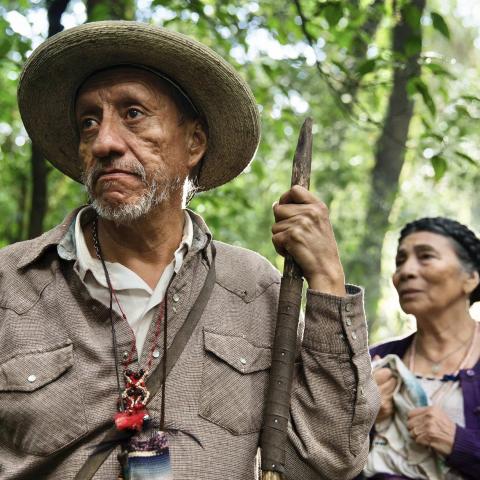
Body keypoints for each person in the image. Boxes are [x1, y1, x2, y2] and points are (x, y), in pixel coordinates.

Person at [0, 21, 378, 480]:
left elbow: (329, 458)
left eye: (133, 114)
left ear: (193, 142)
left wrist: (327, 284)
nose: (104, 142)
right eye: (89, 121)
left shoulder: (254, 289)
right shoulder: (11, 286)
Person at [364, 217, 480, 480]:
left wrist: (458, 442)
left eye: (425, 257)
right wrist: (364, 418)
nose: (406, 271)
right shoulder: (375, 361)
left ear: (471, 278)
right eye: (400, 261)